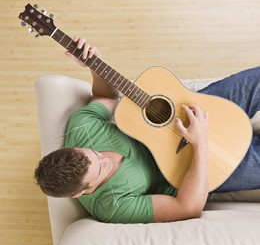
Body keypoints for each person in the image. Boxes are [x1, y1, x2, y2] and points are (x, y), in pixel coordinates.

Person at [34, 37, 260, 223]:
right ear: (80, 193)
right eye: (102, 169)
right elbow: (187, 207)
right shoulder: (112, 206)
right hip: (208, 166)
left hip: (191, 112)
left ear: (76, 147)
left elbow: (106, 97)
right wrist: (200, 144)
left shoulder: (81, 128)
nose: (106, 159)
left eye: (96, 154)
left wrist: (95, 65)